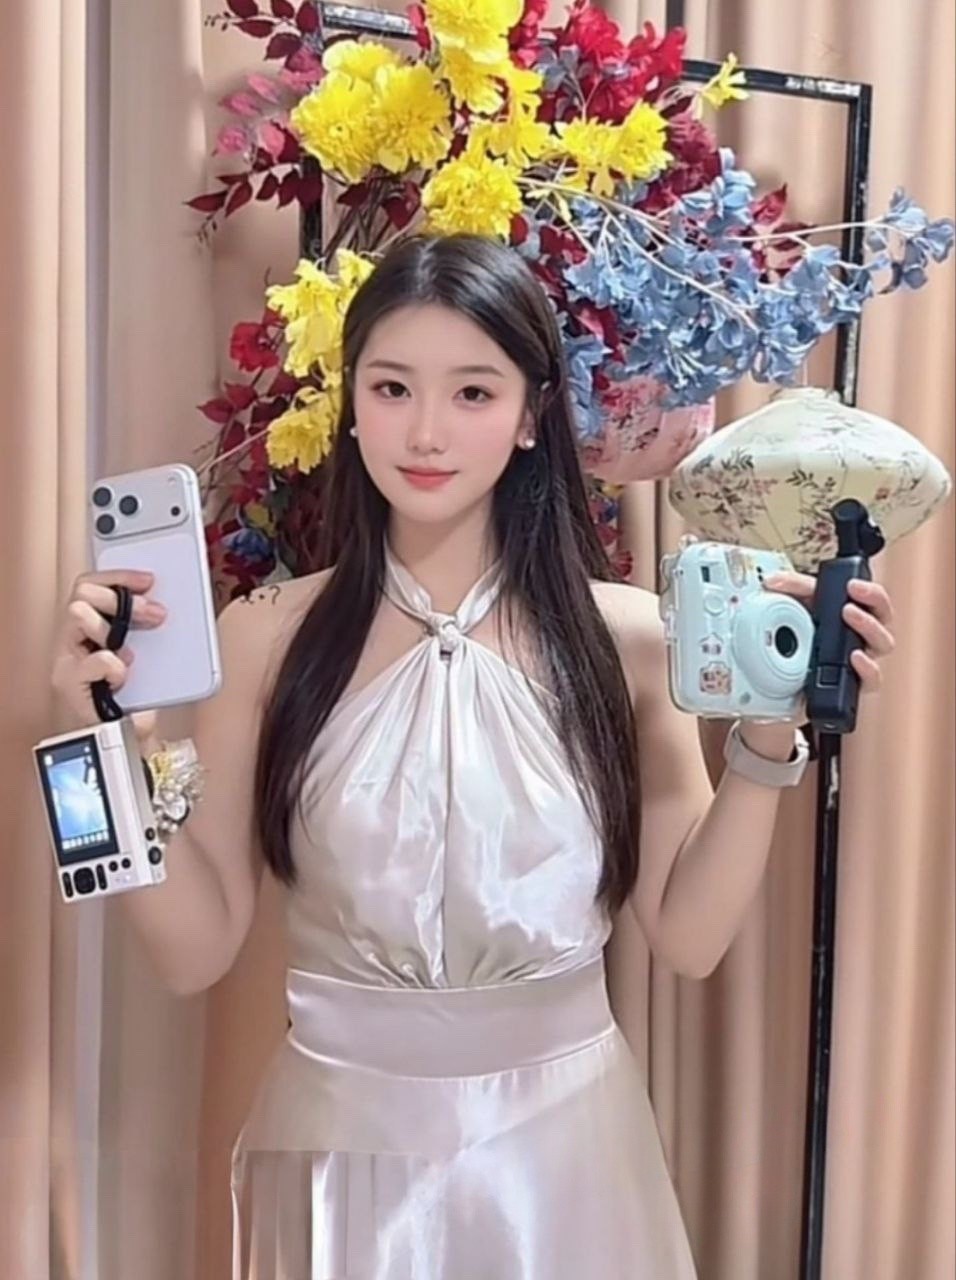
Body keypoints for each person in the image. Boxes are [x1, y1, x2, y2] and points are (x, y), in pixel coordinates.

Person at [51, 233, 896, 1279]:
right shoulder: (266, 636)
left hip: (565, 1164)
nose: (425, 431)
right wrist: (101, 742)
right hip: (337, 1164)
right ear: (350, 403)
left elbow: (688, 934)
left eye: (472, 392)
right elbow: (192, 950)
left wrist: (769, 730)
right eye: (392, 387)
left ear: (531, 413)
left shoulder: (629, 639)